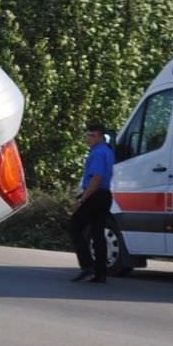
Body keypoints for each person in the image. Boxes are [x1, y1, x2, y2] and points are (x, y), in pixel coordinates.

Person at [69, 120, 115, 283]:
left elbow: (96, 178)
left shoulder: (97, 153)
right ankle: (100, 273)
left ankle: (87, 266)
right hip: (105, 194)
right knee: (98, 233)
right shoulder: (107, 151)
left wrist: (82, 199)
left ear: (101, 136)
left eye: (92, 135)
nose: (88, 138)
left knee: (74, 226)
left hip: (95, 194)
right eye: (87, 135)